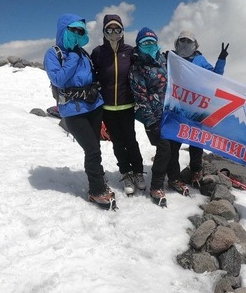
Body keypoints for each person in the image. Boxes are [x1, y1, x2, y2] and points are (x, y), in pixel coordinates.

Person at [44, 14, 115, 210]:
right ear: (64, 30)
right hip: (73, 111)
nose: (77, 33)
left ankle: (98, 179)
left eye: (81, 31)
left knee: (94, 148)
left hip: (94, 107)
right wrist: (73, 58)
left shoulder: (83, 53)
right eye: (73, 30)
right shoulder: (54, 54)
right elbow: (59, 79)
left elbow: (92, 77)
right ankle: (96, 191)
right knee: (91, 149)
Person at [129, 27, 189, 207]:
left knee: (174, 147)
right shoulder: (137, 68)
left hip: (171, 114)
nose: (149, 45)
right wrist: (151, 121)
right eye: (145, 42)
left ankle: (174, 178)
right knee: (164, 149)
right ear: (138, 45)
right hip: (153, 116)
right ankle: (156, 185)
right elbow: (140, 97)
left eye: (152, 42)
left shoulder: (165, 60)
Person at [91, 14, 145, 196]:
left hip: (127, 105)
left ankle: (138, 172)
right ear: (104, 31)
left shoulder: (130, 52)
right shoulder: (98, 53)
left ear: (122, 30)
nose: (113, 32)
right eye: (109, 29)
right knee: (118, 142)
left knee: (131, 140)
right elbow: (92, 75)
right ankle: (126, 173)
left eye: (117, 29)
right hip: (107, 107)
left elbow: (141, 71)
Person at [167, 30, 229, 187]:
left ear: (195, 44)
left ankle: (196, 172)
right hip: (176, 109)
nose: (185, 44)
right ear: (177, 42)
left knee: (196, 143)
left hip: (196, 109)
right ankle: (174, 176)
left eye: (189, 41)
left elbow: (215, 76)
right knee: (173, 144)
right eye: (182, 40)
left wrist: (221, 59)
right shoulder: (171, 58)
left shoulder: (199, 60)